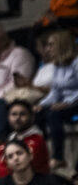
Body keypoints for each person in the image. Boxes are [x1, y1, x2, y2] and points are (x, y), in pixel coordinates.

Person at [34, 29, 78, 170]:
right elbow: (55, 91)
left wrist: (67, 103)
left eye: (51, 45)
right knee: (38, 113)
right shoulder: (58, 66)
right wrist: (41, 104)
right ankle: (42, 153)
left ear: (62, 45)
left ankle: (58, 157)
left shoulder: (76, 63)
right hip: (63, 103)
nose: (48, 49)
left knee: (54, 114)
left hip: (75, 102)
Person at [0, 99, 50, 183]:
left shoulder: (37, 141)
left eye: (22, 114)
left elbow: (15, 170)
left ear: (32, 117)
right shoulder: (8, 142)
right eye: (14, 114)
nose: (17, 118)